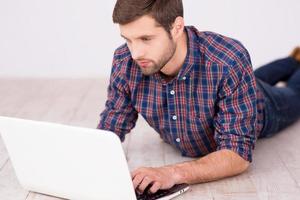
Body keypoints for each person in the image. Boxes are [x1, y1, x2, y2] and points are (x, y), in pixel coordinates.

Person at [97, 0, 300, 195]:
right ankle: (293, 59)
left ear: (177, 27)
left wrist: (171, 172)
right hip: (235, 85)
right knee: (254, 76)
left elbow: (237, 155)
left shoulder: (227, 60)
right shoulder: (125, 61)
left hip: (261, 103)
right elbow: (113, 121)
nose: (135, 53)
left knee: (294, 93)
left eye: (146, 39)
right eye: (128, 40)